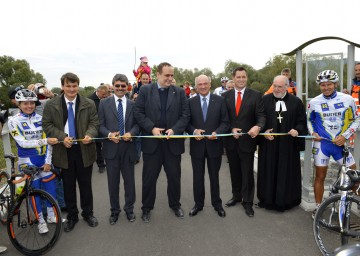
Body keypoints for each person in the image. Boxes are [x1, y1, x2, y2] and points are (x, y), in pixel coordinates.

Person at [42, 72, 99, 232]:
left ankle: (88, 214)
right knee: (68, 186)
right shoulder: (51, 104)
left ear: (78, 86)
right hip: (63, 150)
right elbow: (46, 125)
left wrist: (90, 134)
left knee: (86, 185)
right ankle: (72, 216)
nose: (72, 89)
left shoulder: (89, 103)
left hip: (84, 149)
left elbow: (95, 122)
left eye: (74, 86)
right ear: (62, 86)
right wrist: (62, 137)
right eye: (68, 86)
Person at [134, 62, 190, 223]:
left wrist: (175, 130)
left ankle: (175, 205)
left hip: (172, 144)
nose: (170, 78)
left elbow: (185, 115)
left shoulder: (179, 92)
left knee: (174, 177)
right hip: (153, 144)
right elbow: (138, 113)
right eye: (167, 75)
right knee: (149, 178)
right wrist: (152, 128)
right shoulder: (145, 90)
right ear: (157, 75)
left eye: (172, 75)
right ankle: (146, 208)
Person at [307, 70, 359, 217]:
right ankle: (318, 207)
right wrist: (313, 133)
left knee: (354, 175)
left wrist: (345, 136)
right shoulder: (314, 102)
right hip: (322, 144)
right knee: (320, 176)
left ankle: (344, 199)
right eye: (322, 85)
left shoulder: (348, 99)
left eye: (329, 84)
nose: (326, 87)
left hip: (340, 144)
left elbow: (357, 119)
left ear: (335, 84)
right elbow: (309, 121)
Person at [8, 89, 59, 234]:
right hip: (27, 161)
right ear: (19, 104)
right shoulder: (13, 121)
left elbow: (49, 143)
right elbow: (22, 143)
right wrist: (45, 140)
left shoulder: (41, 118)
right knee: (34, 192)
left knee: (51, 189)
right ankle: (40, 221)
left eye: (32, 103)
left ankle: (51, 216)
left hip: (44, 159)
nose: (29, 106)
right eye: (25, 103)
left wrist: (48, 161)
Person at [256, 75, 308, 211]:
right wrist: (263, 132)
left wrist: (297, 130)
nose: (277, 89)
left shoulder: (296, 102)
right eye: (275, 86)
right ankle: (267, 200)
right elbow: (258, 119)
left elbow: (302, 121)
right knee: (268, 171)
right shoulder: (264, 100)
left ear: (287, 87)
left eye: (280, 86)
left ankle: (286, 201)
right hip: (269, 145)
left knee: (286, 172)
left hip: (288, 145)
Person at [222, 66, 266, 217]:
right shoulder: (225, 96)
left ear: (247, 78)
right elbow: (223, 119)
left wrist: (258, 126)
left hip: (248, 141)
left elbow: (261, 116)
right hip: (231, 141)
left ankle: (247, 202)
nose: (241, 79)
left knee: (247, 172)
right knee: (234, 171)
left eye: (243, 77)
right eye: (238, 77)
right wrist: (230, 130)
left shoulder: (256, 95)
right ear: (233, 78)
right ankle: (236, 196)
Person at [186, 74, 230, 217]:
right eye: (200, 84)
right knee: (197, 178)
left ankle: (217, 204)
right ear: (196, 86)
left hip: (214, 145)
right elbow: (186, 123)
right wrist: (194, 131)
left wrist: (217, 132)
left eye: (205, 84)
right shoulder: (190, 102)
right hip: (197, 146)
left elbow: (225, 122)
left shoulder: (220, 100)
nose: (203, 86)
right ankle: (198, 205)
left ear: (210, 85)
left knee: (214, 177)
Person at [98, 74, 139, 225]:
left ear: (128, 86)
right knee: (113, 183)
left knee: (129, 182)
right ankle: (114, 211)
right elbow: (99, 125)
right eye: (117, 86)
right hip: (111, 149)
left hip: (128, 149)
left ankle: (129, 209)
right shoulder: (104, 103)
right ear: (113, 86)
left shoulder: (133, 104)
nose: (120, 88)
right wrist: (109, 135)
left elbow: (137, 125)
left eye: (123, 86)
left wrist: (131, 133)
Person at [88, 84, 109, 173]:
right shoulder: (90, 100)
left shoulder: (106, 99)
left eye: (106, 95)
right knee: (97, 147)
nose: (104, 96)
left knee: (107, 145)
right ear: (98, 91)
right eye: (103, 94)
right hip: (95, 127)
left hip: (105, 126)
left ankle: (109, 160)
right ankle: (101, 165)